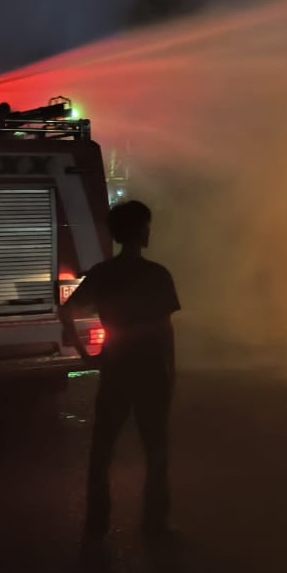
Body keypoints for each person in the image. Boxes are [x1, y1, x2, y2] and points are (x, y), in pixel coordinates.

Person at [61, 200, 181, 538]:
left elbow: (66, 311)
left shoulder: (103, 273)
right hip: (153, 372)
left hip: (115, 369)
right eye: (146, 226)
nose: (148, 231)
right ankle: (155, 524)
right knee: (156, 450)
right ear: (141, 232)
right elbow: (164, 329)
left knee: (103, 450)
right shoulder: (157, 275)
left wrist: (86, 355)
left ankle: (96, 522)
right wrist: (172, 372)